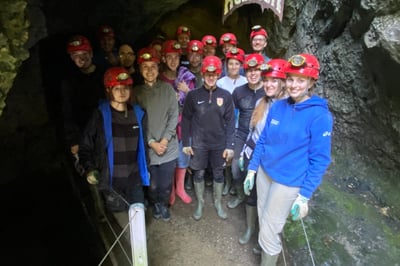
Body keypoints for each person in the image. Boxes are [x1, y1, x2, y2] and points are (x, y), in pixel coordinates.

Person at [243, 53, 333, 265]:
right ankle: (266, 248)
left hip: (288, 181)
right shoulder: (278, 106)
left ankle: (267, 253)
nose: (294, 85)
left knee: (269, 229)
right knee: (263, 216)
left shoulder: (319, 116)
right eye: (291, 79)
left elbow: (319, 159)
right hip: (265, 173)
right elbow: (263, 140)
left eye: (301, 80)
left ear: (311, 82)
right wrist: (252, 169)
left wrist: (304, 196)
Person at [79, 67, 149, 217]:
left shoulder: (139, 113)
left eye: (125, 88)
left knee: (138, 214)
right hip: (112, 179)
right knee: (119, 212)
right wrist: (90, 168)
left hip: (134, 177)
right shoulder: (100, 115)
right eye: (117, 88)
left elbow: (143, 146)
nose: (122, 92)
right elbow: (85, 145)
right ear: (109, 90)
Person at [237, 59, 288, 247]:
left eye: (274, 80)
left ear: (283, 82)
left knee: (267, 201)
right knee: (251, 195)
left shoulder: (288, 106)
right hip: (253, 153)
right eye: (266, 80)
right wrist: (243, 153)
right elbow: (253, 132)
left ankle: (262, 237)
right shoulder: (261, 101)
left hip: (273, 160)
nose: (268, 84)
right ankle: (250, 229)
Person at [181, 55, 235, 221]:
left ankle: (218, 203)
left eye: (214, 73)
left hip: (219, 143)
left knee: (219, 174)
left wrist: (229, 145)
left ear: (218, 74)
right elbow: (186, 119)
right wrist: (185, 143)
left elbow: (231, 121)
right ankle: (200, 203)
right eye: (208, 73)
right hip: (199, 143)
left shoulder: (226, 96)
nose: (211, 77)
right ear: (203, 74)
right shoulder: (193, 95)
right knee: (199, 173)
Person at [135, 47, 179, 222]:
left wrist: (165, 139)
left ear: (158, 67)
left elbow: (174, 115)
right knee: (152, 185)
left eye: (152, 66)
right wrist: (152, 142)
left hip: (168, 147)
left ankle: (164, 205)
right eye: (145, 67)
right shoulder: (136, 93)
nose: (149, 70)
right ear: (139, 70)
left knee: (166, 184)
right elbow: (136, 122)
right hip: (149, 149)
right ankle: (155, 205)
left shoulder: (167, 89)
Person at [158, 40, 195, 205]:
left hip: (185, 124)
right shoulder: (159, 79)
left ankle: (180, 188)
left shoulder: (185, 76)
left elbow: (197, 101)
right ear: (164, 59)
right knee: (169, 160)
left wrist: (187, 92)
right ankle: (171, 190)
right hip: (166, 127)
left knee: (183, 157)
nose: (173, 61)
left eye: (176, 57)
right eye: (169, 57)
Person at [228, 53, 265, 210]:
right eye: (249, 70)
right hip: (241, 134)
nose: (253, 73)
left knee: (256, 172)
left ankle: (253, 202)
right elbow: (231, 116)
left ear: (261, 71)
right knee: (235, 169)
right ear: (245, 72)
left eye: (256, 70)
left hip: (261, 138)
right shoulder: (238, 92)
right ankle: (240, 194)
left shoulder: (268, 91)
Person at [61, 35, 106, 160]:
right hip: (83, 134)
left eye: (84, 54)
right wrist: (73, 140)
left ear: (91, 53)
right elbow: (67, 112)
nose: (81, 59)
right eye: (76, 55)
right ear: (71, 58)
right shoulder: (70, 82)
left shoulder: (104, 75)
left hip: (106, 131)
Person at [216, 47, 247, 196]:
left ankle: (236, 185)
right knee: (226, 156)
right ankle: (228, 183)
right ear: (226, 65)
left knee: (237, 158)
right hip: (224, 125)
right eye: (231, 63)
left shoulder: (246, 82)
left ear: (241, 66)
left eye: (237, 63)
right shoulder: (221, 82)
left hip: (241, 126)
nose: (234, 66)